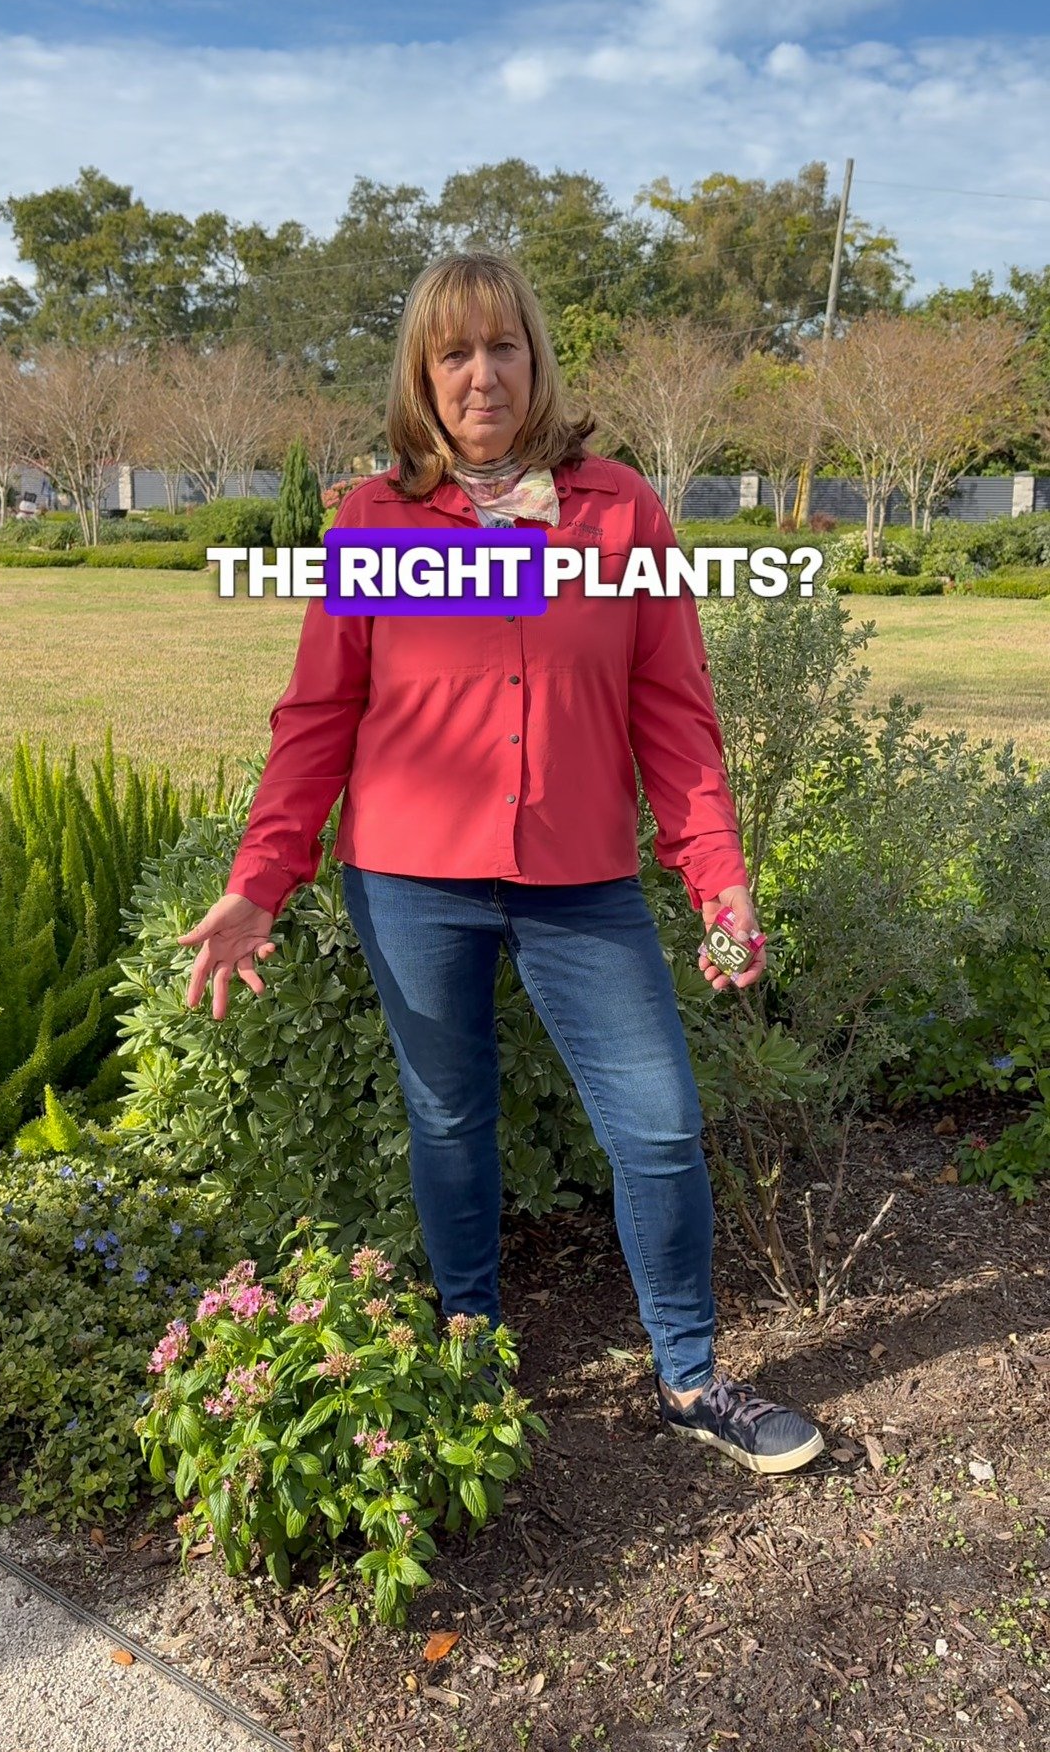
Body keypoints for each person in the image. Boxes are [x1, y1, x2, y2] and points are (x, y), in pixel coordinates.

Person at [180, 252, 825, 1477]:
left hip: (581, 883)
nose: (482, 375)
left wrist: (719, 877)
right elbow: (317, 719)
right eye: (454, 353)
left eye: (503, 347)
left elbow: (675, 714)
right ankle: (469, 1353)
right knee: (450, 1117)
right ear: (423, 376)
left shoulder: (621, 513)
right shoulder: (372, 520)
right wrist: (260, 881)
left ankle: (691, 1379)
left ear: (536, 359)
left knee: (659, 1126)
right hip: (411, 884)